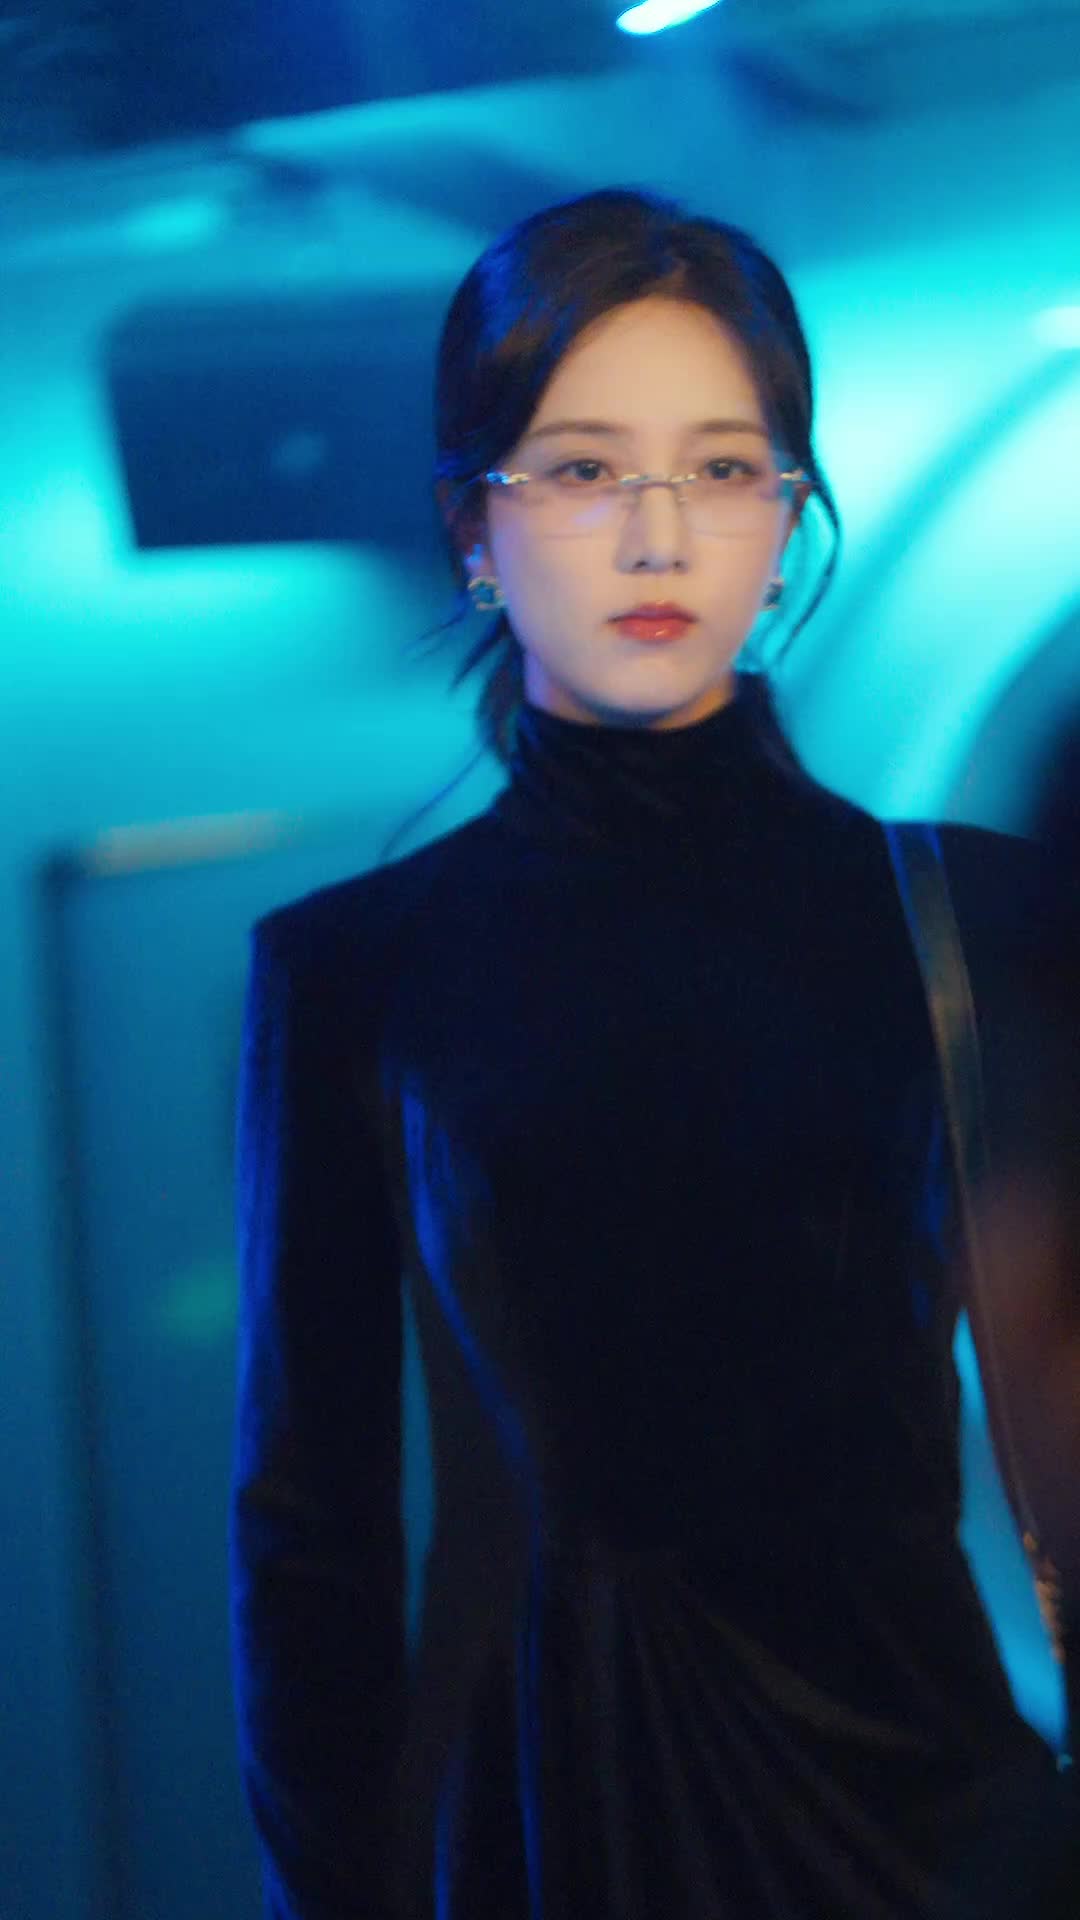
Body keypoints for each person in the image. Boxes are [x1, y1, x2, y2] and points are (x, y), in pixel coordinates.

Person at [228, 188, 1079, 1920]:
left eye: (722, 467)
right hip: (563, 1815)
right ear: (475, 525)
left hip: (949, 1820)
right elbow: (309, 1536)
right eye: (584, 468)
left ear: (789, 516)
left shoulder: (974, 915)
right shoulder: (354, 971)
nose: (658, 535)